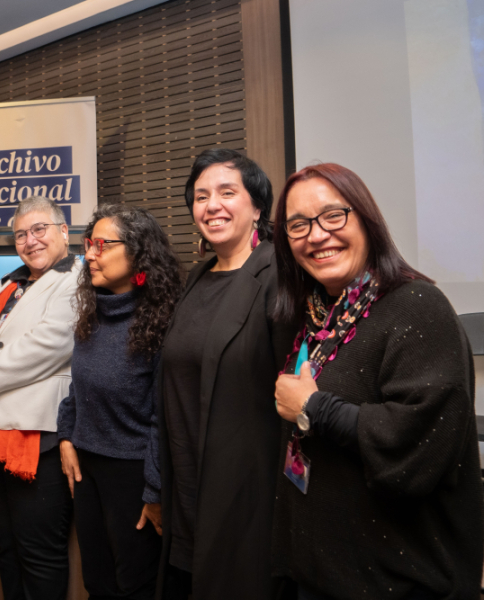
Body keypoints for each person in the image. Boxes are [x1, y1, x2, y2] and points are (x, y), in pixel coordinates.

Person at [272, 163, 483, 599]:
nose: (316, 235)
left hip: (398, 584)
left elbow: (417, 447)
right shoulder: (317, 317)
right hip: (321, 574)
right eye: (298, 225)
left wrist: (313, 409)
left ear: (366, 220)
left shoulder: (419, 307)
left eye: (333, 216)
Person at [156, 148, 295, 599]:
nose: (211, 205)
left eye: (226, 192)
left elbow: (291, 395)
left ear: (257, 206)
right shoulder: (197, 276)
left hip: (246, 495)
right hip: (188, 485)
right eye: (200, 196)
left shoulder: (278, 275)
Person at [0, 195, 80, 600]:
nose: (30, 240)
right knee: (6, 549)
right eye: (21, 234)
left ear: (63, 232)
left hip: (36, 441)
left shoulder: (77, 280)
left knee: (39, 555)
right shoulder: (10, 283)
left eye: (39, 230)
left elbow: (44, 348)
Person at [57, 204, 181, 600]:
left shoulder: (165, 323)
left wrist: (155, 490)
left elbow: (165, 418)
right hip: (87, 470)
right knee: (98, 583)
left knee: (136, 587)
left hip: (134, 476)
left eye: (101, 245)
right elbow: (78, 388)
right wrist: (66, 437)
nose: (89, 254)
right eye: (88, 244)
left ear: (138, 252)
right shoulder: (92, 313)